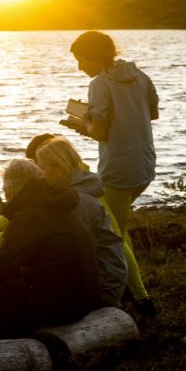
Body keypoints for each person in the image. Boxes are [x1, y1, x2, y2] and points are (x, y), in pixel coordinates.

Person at [65, 30, 159, 317]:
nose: (80, 67)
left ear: (96, 56)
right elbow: (153, 113)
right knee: (120, 225)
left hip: (118, 168)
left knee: (114, 235)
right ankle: (130, 286)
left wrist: (83, 123)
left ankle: (142, 299)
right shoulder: (139, 75)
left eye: (82, 60)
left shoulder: (100, 84)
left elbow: (100, 132)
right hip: (144, 165)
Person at [0, 158, 103, 338]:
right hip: (85, 299)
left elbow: (0, 263)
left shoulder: (30, 218)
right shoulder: (59, 207)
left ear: (12, 190)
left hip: (58, 309)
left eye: (5, 192)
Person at [34, 136, 127, 308]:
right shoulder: (80, 195)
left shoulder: (75, 202)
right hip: (107, 281)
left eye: (42, 168)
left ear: (59, 169)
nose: (39, 174)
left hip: (100, 289)